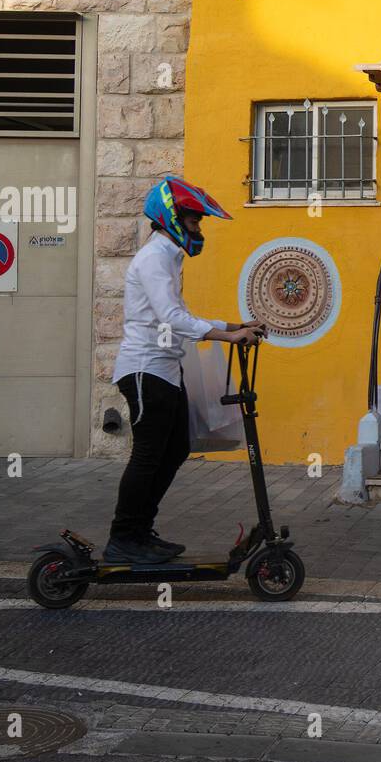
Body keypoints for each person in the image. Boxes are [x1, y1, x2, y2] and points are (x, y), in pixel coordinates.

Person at [106, 176, 266, 565]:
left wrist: (232, 325)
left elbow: (182, 316)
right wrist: (231, 339)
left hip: (165, 371)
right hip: (146, 371)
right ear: (173, 218)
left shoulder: (166, 257)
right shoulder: (154, 258)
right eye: (195, 221)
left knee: (175, 448)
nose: (198, 228)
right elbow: (171, 317)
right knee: (147, 455)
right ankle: (124, 538)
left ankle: (141, 532)